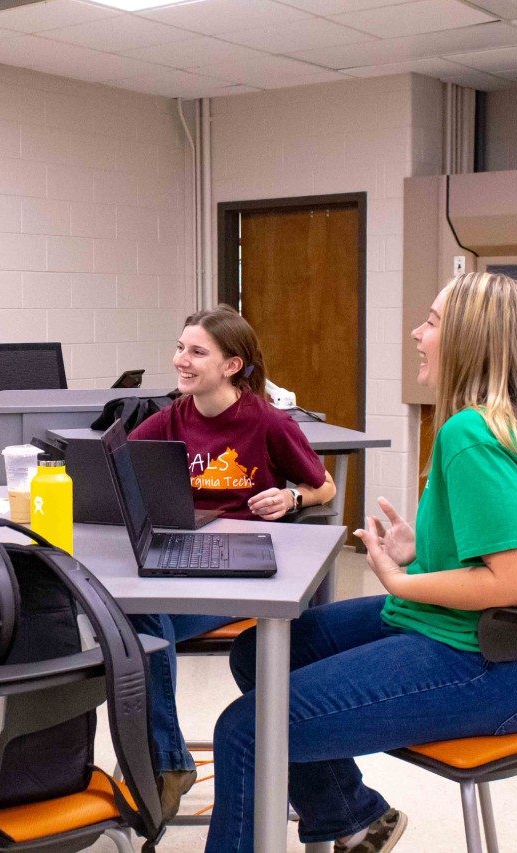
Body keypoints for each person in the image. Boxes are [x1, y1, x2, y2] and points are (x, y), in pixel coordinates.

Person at [209, 271, 517, 852]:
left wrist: (399, 581)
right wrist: (428, 554)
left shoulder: (471, 433)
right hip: (509, 650)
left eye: (433, 322)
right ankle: (352, 817)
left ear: (472, 340)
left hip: (495, 664)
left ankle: (347, 816)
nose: (418, 333)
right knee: (260, 651)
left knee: (246, 731)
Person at [126, 305, 335, 818]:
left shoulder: (265, 420)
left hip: (239, 573)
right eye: (180, 348)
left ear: (232, 366)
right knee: (131, 616)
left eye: (197, 352)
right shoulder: (173, 416)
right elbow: (122, 465)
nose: (182, 360)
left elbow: (323, 485)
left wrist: (292, 500)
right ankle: (167, 760)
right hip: (184, 563)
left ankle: (162, 763)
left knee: (143, 622)